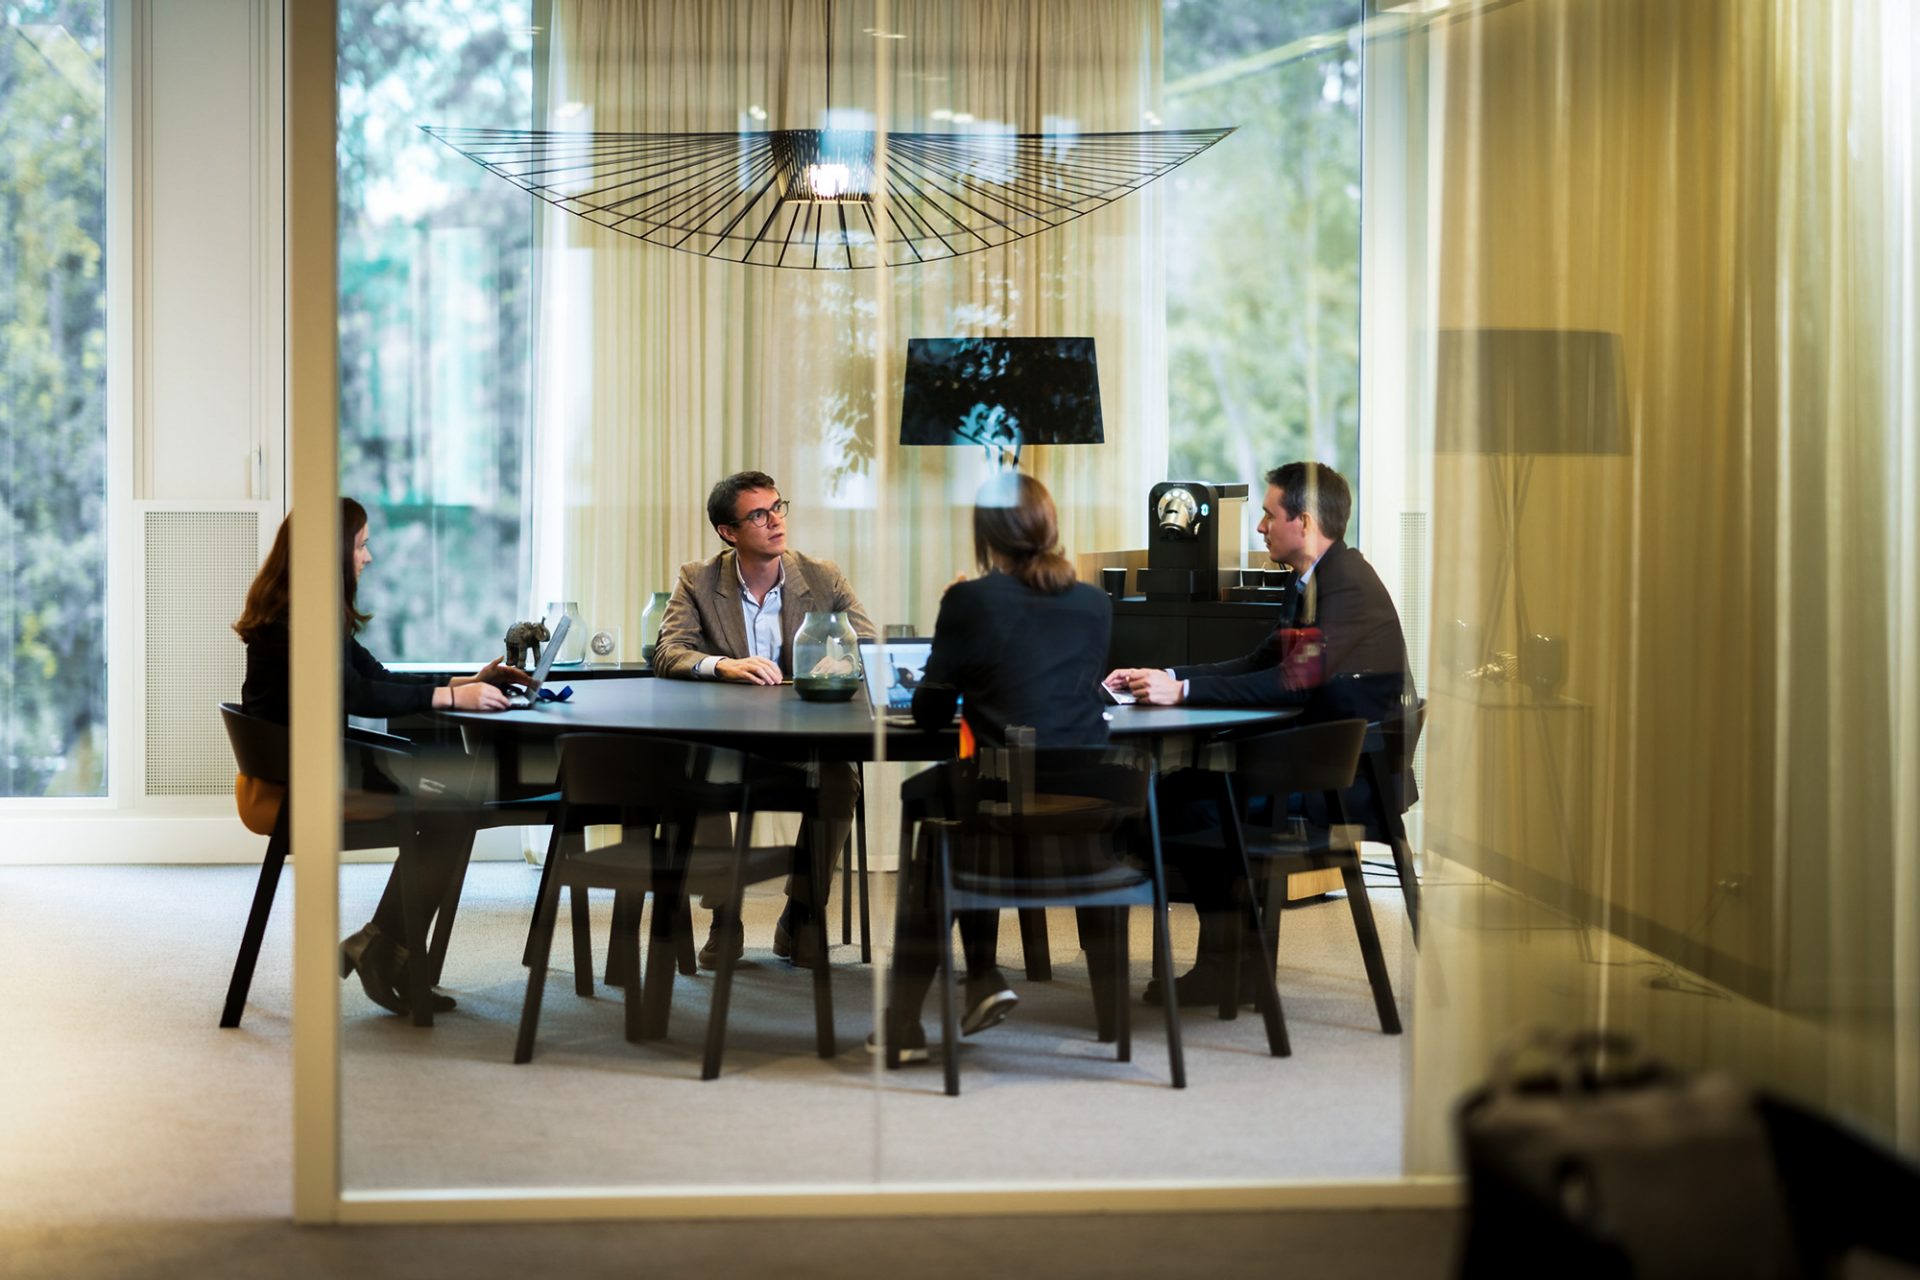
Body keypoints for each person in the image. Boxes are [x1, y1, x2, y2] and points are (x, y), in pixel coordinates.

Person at [1103, 461, 1414, 1005]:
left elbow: (1292, 683)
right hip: (1320, 764)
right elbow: (1259, 662)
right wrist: (1165, 675)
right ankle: (1232, 963)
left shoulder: (1347, 587)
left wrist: (1184, 693)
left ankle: (1227, 968)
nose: (1260, 526)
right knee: (1183, 790)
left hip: (1345, 783)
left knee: (1189, 801)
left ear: (1304, 521)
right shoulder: (1313, 581)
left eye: (1270, 515)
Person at [235, 498, 529, 1016]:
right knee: (454, 809)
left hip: (307, 770)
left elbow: (378, 679)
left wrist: (466, 682)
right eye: (360, 545)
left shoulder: (307, 611)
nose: (367, 557)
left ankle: (380, 947)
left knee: (454, 805)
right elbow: (356, 695)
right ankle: (383, 949)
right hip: (293, 787)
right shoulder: (293, 623)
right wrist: (450, 698)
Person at [878, 471, 1113, 1062]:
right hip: (1091, 800)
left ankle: (908, 1019)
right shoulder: (1095, 602)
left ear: (985, 535)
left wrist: (958, 617)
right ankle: (986, 978)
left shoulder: (970, 600)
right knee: (961, 806)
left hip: (999, 796)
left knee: (936, 824)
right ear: (1048, 525)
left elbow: (931, 712)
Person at [652, 470, 876, 969]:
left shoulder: (821, 576)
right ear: (728, 532)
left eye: (777, 507)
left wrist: (835, 663)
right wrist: (722, 665)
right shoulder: (697, 579)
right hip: (727, 742)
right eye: (758, 514)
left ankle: (801, 914)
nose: (776, 521)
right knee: (699, 777)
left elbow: (868, 647)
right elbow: (669, 652)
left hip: (802, 741)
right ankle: (725, 917)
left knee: (840, 780)